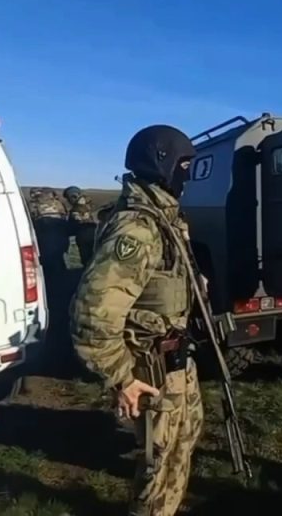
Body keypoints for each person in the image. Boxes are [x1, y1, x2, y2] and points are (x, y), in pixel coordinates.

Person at [70, 124, 204, 516]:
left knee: (179, 450)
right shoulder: (138, 228)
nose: (188, 175)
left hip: (178, 362)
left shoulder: (165, 218)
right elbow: (92, 314)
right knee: (157, 468)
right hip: (151, 372)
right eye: (184, 165)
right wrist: (122, 378)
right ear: (162, 166)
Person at [64, 185, 98, 267]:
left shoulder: (75, 210)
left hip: (83, 235)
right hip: (95, 232)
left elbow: (72, 227)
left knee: (86, 260)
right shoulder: (88, 205)